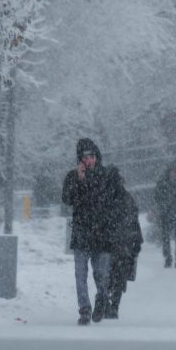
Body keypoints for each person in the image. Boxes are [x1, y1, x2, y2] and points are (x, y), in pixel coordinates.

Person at [61, 137, 119, 325]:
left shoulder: (105, 175)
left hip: (102, 233)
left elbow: (107, 200)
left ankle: (102, 299)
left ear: (96, 157)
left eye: (92, 156)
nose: (89, 160)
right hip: (81, 233)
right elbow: (67, 199)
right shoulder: (73, 176)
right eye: (85, 157)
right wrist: (79, 180)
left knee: (101, 274)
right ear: (80, 159)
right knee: (80, 274)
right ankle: (84, 308)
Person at [106, 167, 143, 320]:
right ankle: (114, 305)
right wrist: (136, 242)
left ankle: (106, 303)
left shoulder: (103, 196)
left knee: (106, 275)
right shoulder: (127, 197)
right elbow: (134, 221)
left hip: (107, 244)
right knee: (119, 277)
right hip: (124, 244)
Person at [153, 160, 176, 268]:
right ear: (169, 171)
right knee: (166, 238)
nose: (174, 173)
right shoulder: (162, 182)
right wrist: (163, 207)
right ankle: (168, 257)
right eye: (173, 171)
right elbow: (157, 197)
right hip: (166, 214)